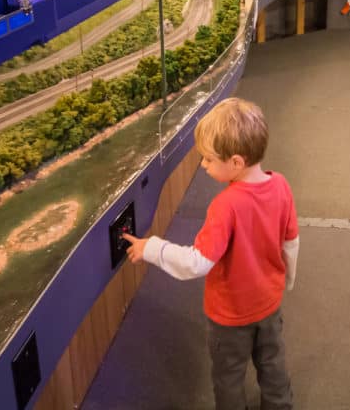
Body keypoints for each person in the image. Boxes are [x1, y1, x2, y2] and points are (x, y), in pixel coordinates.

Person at [123, 97, 299, 410]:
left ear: (235, 162)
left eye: (207, 159)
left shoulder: (225, 206)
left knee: (228, 376)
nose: (203, 166)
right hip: (269, 304)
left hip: (230, 316)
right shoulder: (281, 185)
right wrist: (287, 281)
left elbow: (197, 262)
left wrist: (150, 247)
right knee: (273, 363)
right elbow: (291, 242)